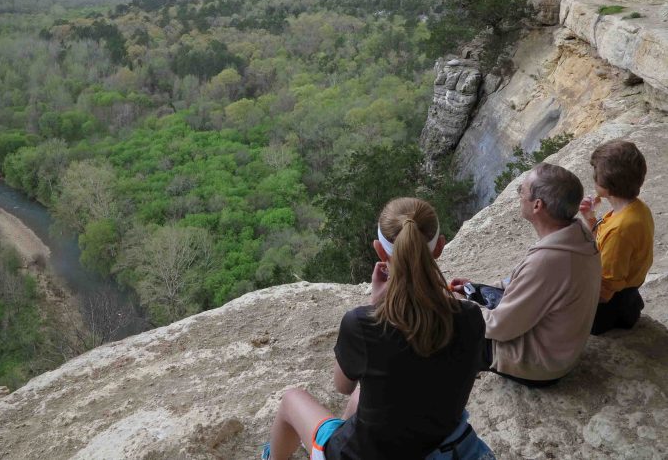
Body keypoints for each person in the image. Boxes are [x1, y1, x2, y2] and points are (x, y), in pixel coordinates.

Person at [263, 198, 493, 460]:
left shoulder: (363, 323)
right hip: (439, 447)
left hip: (364, 454)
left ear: (380, 252)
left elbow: (342, 385)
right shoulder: (470, 317)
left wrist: (374, 305)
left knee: (292, 400)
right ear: (439, 247)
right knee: (364, 395)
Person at [451, 163, 601, 387]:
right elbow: (521, 284)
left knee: (447, 326)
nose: (519, 193)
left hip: (539, 364)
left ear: (538, 205)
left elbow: (498, 328)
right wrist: (478, 289)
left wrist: (459, 308)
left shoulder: (548, 261)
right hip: (559, 347)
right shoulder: (576, 235)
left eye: (523, 189)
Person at [579, 140, 654, 335]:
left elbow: (607, 287)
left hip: (610, 302)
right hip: (626, 289)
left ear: (606, 186)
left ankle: (615, 317)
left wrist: (578, 300)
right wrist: (590, 219)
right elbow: (605, 241)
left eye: (595, 176)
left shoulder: (622, 229)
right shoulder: (635, 208)